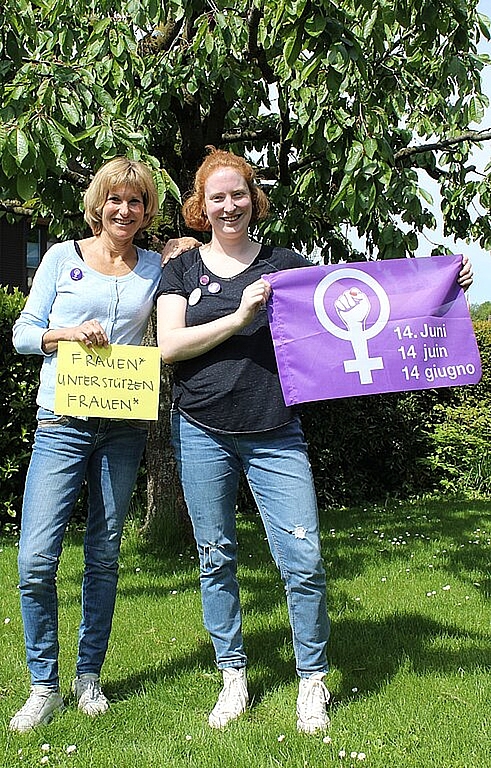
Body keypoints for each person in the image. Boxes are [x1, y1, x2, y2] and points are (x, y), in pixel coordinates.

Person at [156, 147, 475, 734]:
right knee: (215, 557)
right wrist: (239, 317)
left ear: (255, 199)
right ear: (201, 206)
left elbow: (360, 302)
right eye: (217, 197)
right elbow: (169, 347)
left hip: (276, 429)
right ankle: (233, 676)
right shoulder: (178, 270)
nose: (230, 205)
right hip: (200, 426)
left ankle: (311, 678)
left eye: (240, 194)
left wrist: (442, 284)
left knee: (303, 559)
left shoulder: (285, 264)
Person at [10, 157, 165, 733]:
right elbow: (25, 332)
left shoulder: (156, 265)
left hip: (122, 427)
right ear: (97, 204)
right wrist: (66, 334)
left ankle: (88, 677)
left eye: (136, 202)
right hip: (62, 421)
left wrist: (179, 250)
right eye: (114, 200)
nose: (123, 210)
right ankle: (43, 685)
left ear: (147, 211)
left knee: (103, 556)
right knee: (34, 560)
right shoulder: (60, 257)